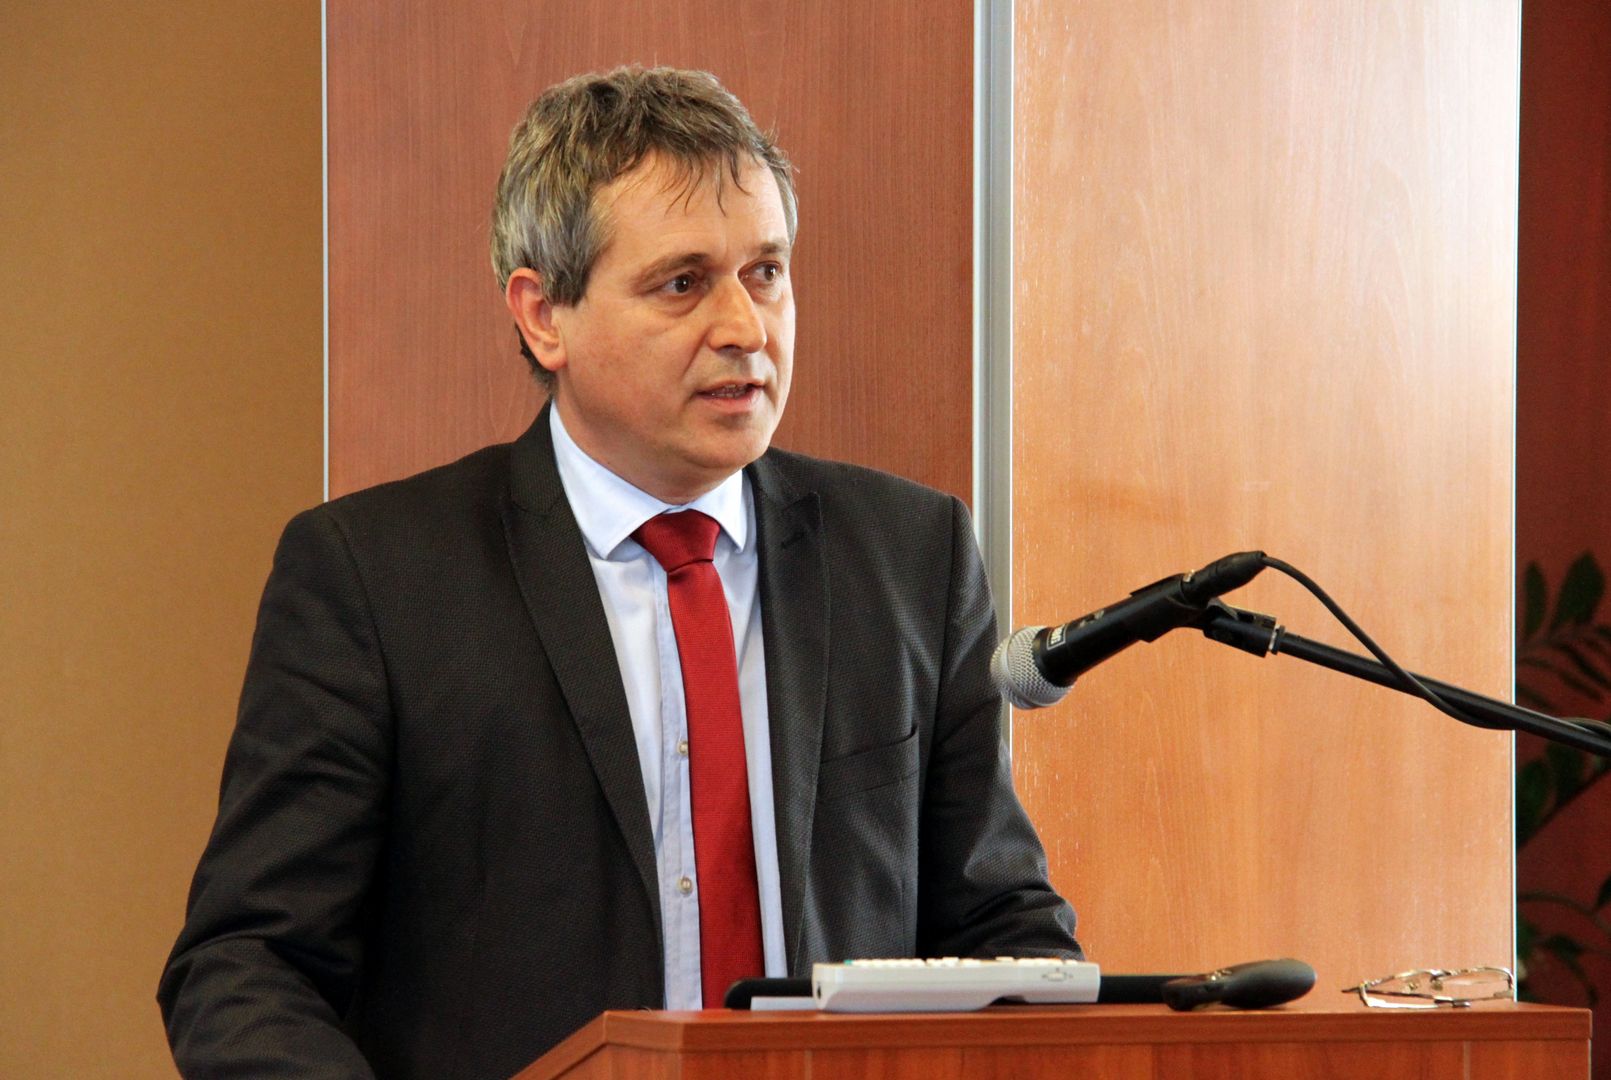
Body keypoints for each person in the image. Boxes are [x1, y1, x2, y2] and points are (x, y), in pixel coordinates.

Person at [159, 66, 1079, 1079]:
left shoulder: (910, 555)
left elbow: (999, 924)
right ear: (543, 315)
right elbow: (247, 966)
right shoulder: (377, 578)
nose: (745, 328)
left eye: (766, 272)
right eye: (682, 283)